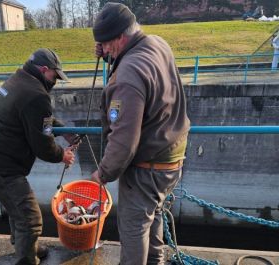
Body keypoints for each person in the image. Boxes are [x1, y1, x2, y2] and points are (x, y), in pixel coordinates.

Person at [90, 3, 190, 265]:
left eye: (107, 44)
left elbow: (124, 140)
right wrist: (110, 55)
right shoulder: (157, 43)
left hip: (147, 168)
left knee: (134, 228)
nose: (104, 49)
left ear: (120, 37)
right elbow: (135, 65)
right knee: (153, 215)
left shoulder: (128, 75)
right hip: (172, 158)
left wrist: (103, 173)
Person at [0, 48, 77, 265]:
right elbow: (42, 145)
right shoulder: (36, 94)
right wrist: (62, 155)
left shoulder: (18, 79)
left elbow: (38, 119)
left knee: (17, 208)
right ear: (44, 69)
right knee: (30, 219)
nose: (55, 81)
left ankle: (29, 247)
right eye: (54, 76)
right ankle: (26, 259)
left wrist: (64, 130)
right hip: (0, 166)